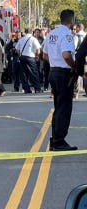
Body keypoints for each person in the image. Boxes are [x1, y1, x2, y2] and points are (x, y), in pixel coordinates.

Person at [44, 9, 79, 151]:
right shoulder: (67, 35)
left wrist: (55, 60)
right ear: (72, 21)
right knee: (64, 108)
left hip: (53, 72)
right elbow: (66, 55)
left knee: (58, 107)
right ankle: (59, 141)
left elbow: (45, 55)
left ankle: (55, 139)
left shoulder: (52, 33)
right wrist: (75, 67)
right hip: (64, 74)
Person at [16, 28, 42, 93]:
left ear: (25, 32)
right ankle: (37, 88)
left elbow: (17, 49)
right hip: (30, 57)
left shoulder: (21, 39)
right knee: (34, 73)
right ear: (32, 32)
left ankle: (26, 89)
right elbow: (38, 49)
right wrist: (37, 56)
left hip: (22, 57)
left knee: (24, 74)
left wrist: (20, 55)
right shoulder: (33, 39)